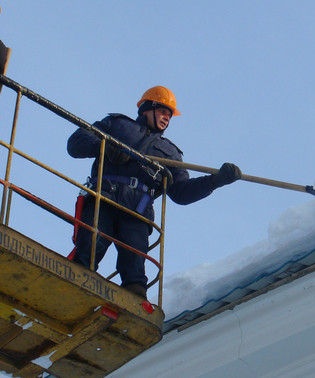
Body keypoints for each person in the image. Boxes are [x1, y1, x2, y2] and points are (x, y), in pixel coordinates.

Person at [67, 86, 241, 299]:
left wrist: (215, 181)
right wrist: (104, 146)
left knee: (135, 267)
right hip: (105, 198)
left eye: (169, 115)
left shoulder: (171, 153)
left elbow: (181, 193)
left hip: (137, 212)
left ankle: (134, 303)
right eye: (163, 111)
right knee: (90, 248)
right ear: (147, 109)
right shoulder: (118, 125)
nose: (166, 118)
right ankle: (71, 287)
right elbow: (76, 143)